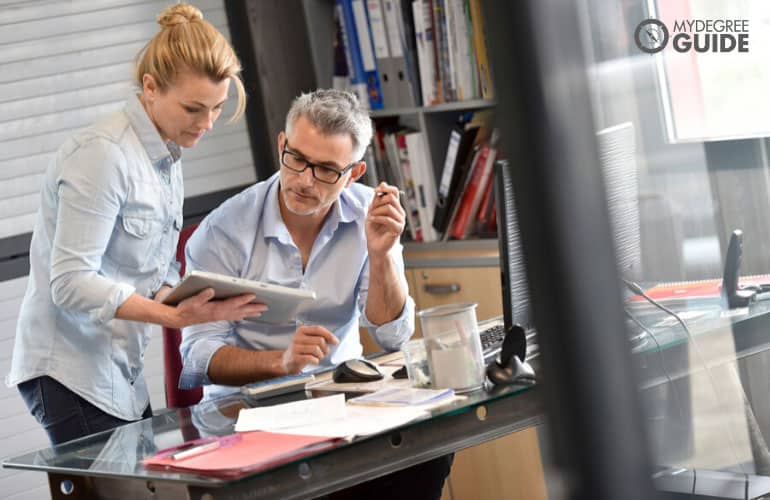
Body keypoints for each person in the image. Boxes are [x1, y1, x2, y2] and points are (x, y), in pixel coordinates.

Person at [5, 3, 266, 446]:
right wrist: (171, 314)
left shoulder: (165, 158)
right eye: (193, 108)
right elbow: (69, 281)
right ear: (150, 88)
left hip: (115, 368)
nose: (206, 124)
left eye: (217, 108)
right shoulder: (103, 155)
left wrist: (202, 305)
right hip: (71, 371)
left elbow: (152, 278)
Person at [179, 88, 451, 499]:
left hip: (342, 402)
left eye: (326, 170)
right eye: (298, 160)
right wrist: (281, 361)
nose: (305, 180)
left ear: (354, 173)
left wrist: (381, 256)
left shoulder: (369, 216)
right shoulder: (223, 231)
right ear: (282, 144)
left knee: (430, 452)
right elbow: (197, 358)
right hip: (250, 413)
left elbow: (392, 337)